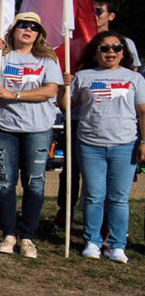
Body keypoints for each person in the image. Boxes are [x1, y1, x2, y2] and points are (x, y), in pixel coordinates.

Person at [55, 0, 143, 227]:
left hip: (115, 123)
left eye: (98, 10)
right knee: (72, 170)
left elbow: (130, 79)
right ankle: (66, 211)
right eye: (89, 10)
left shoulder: (126, 44)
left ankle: (107, 226)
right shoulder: (76, 40)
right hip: (79, 117)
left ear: (111, 15)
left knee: (113, 182)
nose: (93, 15)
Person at [0, 12, 62, 259]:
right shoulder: (2, 56)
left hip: (38, 129)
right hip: (5, 127)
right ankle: (9, 234)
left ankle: (28, 237)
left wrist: (14, 95)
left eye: (34, 27)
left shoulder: (47, 59)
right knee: (5, 181)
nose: (28, 30)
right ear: (13, 29)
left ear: (39, 34)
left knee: (34, 183)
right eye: (23, 25)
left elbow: (50, 90)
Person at [60, 31, 145, 263]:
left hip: (125, 145)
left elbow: (143, 113)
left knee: (119, 198)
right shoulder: (83, 76)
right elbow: (67, 106)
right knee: (93, 196)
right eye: (104, 48)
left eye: (116, 48)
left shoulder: (135, 78)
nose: (110, 52)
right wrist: (64, 87)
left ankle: (117, 245)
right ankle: (92, 242)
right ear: (95, 52)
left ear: (123, 53)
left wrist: (144, 143)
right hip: (90, 144)